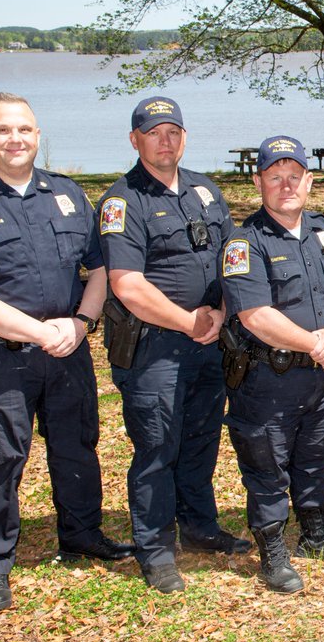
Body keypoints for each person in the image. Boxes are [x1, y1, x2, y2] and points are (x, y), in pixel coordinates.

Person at [0, 92, 133, 612]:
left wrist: (82, 323)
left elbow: (100, 269)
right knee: (0, 456)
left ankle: (81, 534)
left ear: (38, 136)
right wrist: (42, 333)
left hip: (69, 348)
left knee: (77, 444)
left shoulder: (66, 195)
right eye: (3, 130)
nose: (15, 139)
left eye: (24, 130)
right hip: (0, 356)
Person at [97, 96, 249, 595]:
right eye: (154, 132)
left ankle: (200, 527)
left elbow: (233, 260)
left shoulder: (205, 191)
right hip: (155, 347)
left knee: (201, 438)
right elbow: (127, 284)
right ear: (134, 139)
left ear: (184, 137)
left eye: (173, 131)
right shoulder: (123, 201)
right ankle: (155, 548)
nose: (165, 140)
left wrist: (223, 313)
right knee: (157, 446)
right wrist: (188, 321)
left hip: (209, 341)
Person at [220, 136, 324, 593]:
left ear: (309, 180)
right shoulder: (244, 242)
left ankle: (316, 533)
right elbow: (254, 315)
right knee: (267, 464)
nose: (286, 185)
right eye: (275, 177)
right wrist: (312, 344)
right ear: (259, 181)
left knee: (316, 456)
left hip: (319, 376)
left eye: (294, 176)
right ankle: (273, 550)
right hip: (268, 379)